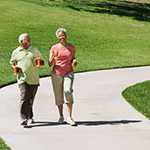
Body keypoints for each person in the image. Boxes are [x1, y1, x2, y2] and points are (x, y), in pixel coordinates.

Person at [10, 33, 44, 127]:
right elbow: (13, 62)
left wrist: (39, 62)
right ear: (20, 42)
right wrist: (15, 67)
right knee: (24, 97)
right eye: (23, 41)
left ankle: (30, 116)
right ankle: (24, 118)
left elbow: (41, 62)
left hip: (33, 78)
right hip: (22, 79)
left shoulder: (34, 50)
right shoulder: (16, 51)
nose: (26, 42)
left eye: (27, 40)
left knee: (30, 99)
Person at [48, 28, 77, 126]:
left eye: (63, 35)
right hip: (56, 73)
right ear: (58, 37)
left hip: (69, 72)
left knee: (67, 91)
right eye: (60, 36)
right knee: (58, 95)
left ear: (66, 35)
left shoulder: (71, 47)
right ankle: (61, 116)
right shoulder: (54, 48)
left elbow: (73, 58)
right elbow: (49, 63)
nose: (62, 37)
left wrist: (74, 61)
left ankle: (69, 117)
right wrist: (52, 59)